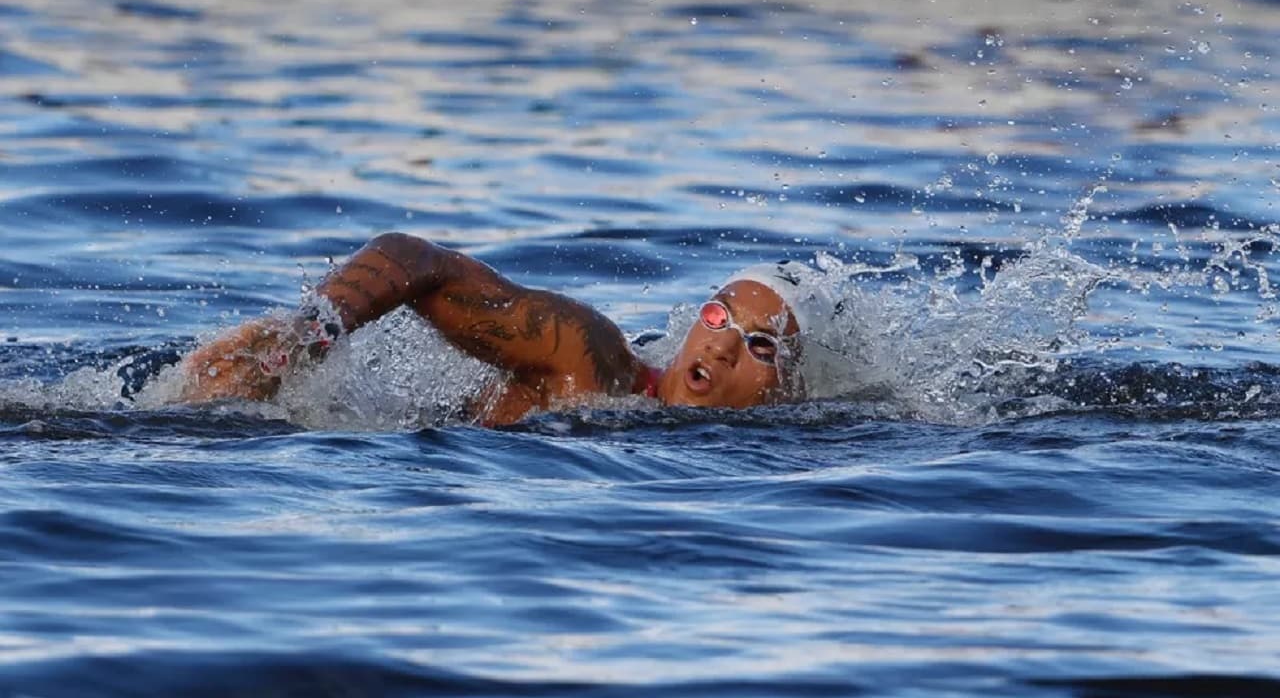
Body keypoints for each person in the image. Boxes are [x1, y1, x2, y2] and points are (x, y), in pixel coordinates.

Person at [178, 232, 841, 426]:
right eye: (718, 316)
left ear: (788, 390)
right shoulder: (588, 359)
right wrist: (310, 335)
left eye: (760, 346)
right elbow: (416, 259)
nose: (722, 346)